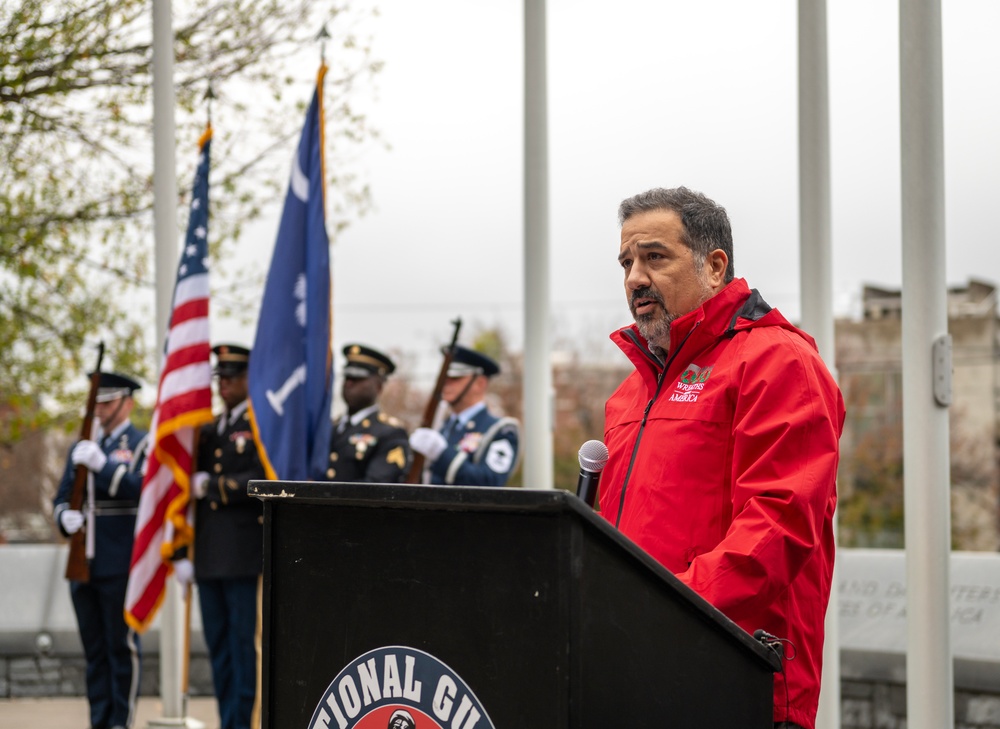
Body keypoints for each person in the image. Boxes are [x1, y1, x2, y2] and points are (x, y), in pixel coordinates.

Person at [601, 187, 845, 729]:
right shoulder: (628, 394)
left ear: (715, 267)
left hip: (737, 680)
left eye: (654, 256)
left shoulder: (778, 360)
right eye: (626, 262)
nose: (635, 278)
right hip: (635, 671)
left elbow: (778, 526)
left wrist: (657, 612)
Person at [173, 344, 266, 729]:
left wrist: (213, 485)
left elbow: (264, 480)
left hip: (244, 556)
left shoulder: (261, 425)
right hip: (209, 557)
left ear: (249, 379)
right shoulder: (208, 429)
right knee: (220, 652)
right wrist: (181, 550)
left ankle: (241, 723)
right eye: (220, 378)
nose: (223, 384)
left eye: (231, 377)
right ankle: (228, 720)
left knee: (244, 650)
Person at [53, 371, 148, 729]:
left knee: (121, 651)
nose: (101, 409)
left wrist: (104, 466)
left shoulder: (140, 443)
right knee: (95, 654)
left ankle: (120, 722)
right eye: (99, 401)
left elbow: (143, 489)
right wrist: (65, 517)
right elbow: (61, 497)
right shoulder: (82, 444)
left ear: (128, 402)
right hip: (84, 566)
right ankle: (99, 721)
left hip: (120, 563)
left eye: (108, 401)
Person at [408, 345, 520, 486]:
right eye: (444, 378)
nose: (446, 384)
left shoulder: (501, 430)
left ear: (479, 383)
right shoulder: (441, 426)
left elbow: (490, 481)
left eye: (455, 378)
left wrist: (442, 455)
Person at [326, 344, 411, 483]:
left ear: (378, 386)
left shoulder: (391, 433)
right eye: (348, 376)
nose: (349, 383)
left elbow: (374, 488)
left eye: (358, 378)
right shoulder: (331, 427)